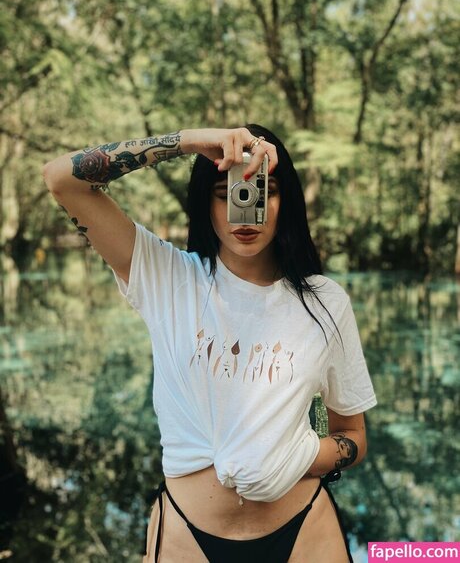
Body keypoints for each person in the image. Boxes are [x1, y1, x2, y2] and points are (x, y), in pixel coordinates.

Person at [43, 126, 378, 562]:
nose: (247, 208)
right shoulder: (167, 278)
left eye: (265, 191)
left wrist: (299, 455)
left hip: (306, 533)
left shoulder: (325, 302)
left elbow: (353, 435)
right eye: (227, 193)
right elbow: (62, 179)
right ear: (206, 203)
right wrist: (189, 142)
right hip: (186, 536)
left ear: (287, 203)